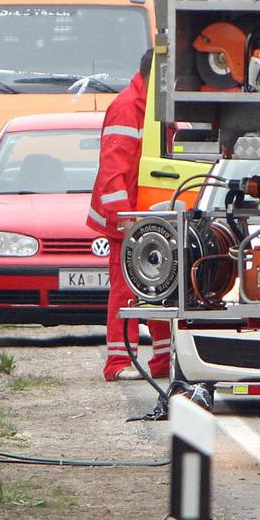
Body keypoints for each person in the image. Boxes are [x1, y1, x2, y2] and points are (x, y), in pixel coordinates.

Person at [87, 50, 171, 382]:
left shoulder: (152, 107)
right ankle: (119, 362)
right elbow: (114, 169)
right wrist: (124, 218)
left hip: (148, 215)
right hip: (129, 217)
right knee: (127, 289)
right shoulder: (127, 107)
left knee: (160, 288)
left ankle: (163, 360)